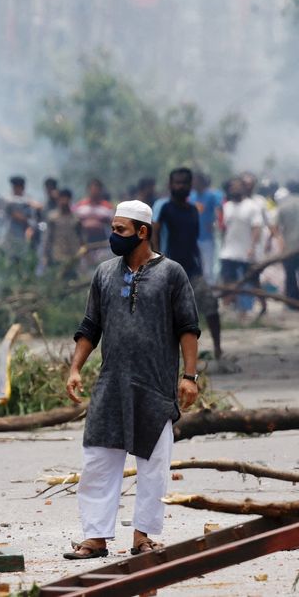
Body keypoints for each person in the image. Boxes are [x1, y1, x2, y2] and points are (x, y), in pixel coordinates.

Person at [62, 200, 200, 560]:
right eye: (112, 228)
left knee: (154, 466)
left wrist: (189, 376)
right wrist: (75, 367)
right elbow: (90, 326)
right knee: (97, 460)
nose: (113, 236)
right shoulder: (105, 273)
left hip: (154, 386)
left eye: (120, 230)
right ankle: (95, 537)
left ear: (142, 232)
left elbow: (188, 328)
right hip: (111, 384)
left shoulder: (172, 273)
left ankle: (143, 536)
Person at [153, 168, 223, 363]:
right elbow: (155, 233)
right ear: (170, 185)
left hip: (192, 269)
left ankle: (218, 348)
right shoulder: (164, 208)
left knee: (210, 304)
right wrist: (157, 260)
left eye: (184, 183)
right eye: (176, 182)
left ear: (190, 185)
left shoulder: (193, 210)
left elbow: (193, 241)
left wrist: (200, 264)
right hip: (167, 269)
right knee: (167, 313)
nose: (180, 186)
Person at [217, 178, 264, 314]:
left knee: (252, 280)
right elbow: (224, 228)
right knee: (228, 279)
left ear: (243, 189)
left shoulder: (252, 206)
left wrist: (252, 247)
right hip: (229, 251)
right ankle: (230, 306)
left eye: (238, 187)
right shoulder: (227, 206)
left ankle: (263, 304)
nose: (235, 190)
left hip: (246, 251)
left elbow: (256, 228)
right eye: (232, 188)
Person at [192, 173, 222, 283]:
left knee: (208, 269)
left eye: (195, 181)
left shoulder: (211, 196)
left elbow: (219, 210)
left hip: (207, 237)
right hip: (193, 238)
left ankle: (210, 292)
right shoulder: (191, 196)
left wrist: (215, 224)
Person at [46, 189, 83, 276]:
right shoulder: (52, 218)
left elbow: (81, 237)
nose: (64, 201)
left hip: (72, 256)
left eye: (66, 199)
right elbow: (48, 238)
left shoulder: (76, 219)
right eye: (61, 198)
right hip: (57, 255)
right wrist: (46, 256)